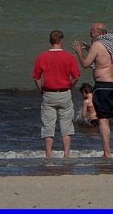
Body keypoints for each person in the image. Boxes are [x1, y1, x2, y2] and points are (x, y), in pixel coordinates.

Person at [72, 22, 113, 158]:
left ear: (99, 32)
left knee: (103, 120)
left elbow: (86, 64)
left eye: (92, 32)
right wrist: (90, 48)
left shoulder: (97, 45)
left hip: (104, 87)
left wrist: (79, 52)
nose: (90, 35)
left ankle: (107, 153)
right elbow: (105, 58)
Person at [32, 29, 81, 159]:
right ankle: (66, 154)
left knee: (48, 126)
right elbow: (76, 76)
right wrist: (70, 86)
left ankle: (48, 154)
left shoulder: (42, 57)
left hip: (48, 93)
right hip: (64, 92)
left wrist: (40, 89)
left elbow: (36, 77)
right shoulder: (69, 57)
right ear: (61, 41)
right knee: (66, 126)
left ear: (50, 41)